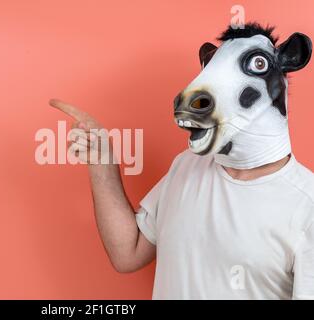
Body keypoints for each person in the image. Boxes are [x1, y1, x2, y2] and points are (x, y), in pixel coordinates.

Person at [50, 23, 314, 300]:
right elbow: (128, 252)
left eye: (257, 63)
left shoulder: (307, 208)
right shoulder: (186, 166)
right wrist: (102, 162)